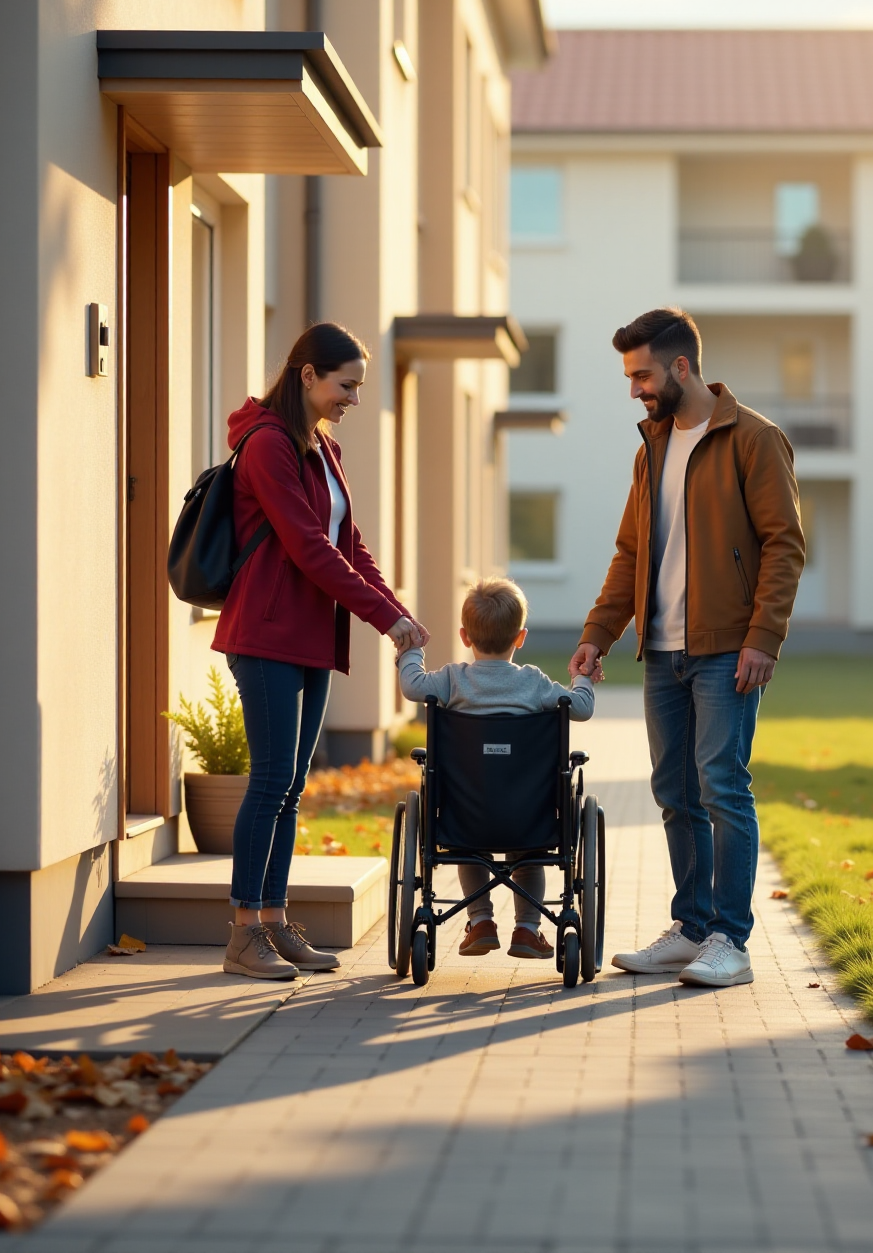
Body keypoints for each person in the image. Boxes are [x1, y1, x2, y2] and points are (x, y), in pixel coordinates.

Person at [570, 308, 805, 988]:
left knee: (722, 787)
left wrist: (763, 637)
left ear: (681, 367)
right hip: (663, 652)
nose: (634, 388)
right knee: (675, 792)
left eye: (641, 373)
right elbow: (630, 551)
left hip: (728, 648)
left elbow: (783, 546)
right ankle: (692, 927)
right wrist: (597, 632)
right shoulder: (652, 446)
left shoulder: (754, 440)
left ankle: (730, 940)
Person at [213, 323, 429, 981]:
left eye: (358, 387)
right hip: (267, 634)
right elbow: (310, 549)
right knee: (271, 780)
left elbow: (350, 544)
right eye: (347, 385)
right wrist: (385, 621)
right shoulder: (267, 446)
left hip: (309, 637)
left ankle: (274, 923)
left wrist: (397, 609)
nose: (354, 399)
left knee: (292, 787)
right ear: (307, 375)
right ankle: (243, 932)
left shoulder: (321, 449)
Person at [397, 577, 596, 959]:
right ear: (520, 637)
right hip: (530, 819)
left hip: (463, 818)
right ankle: (527, 929)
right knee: (527, 853)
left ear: (464, 636)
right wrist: (583, 678)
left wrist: (412, 652)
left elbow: (411, 685)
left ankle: (482, 921)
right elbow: (580, 708)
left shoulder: (452, 680)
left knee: (468, 848)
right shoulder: (534, 683)